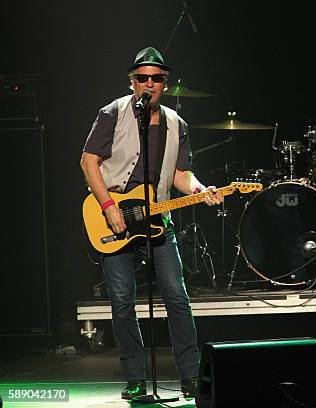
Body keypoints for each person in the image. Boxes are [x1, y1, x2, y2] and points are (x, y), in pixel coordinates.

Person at [80, 46, 222, 400]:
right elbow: (87, 161)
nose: (149, 83)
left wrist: (202, 190)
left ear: (165, 84)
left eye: (156, 78)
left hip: (158, 217)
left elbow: (180, 175)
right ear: (132, 82)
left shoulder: (177, 123)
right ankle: (135, 377)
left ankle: (191, 376)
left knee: (177, 295)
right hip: (114, 218)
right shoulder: (112, 113)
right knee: (123, 299)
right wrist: (110, 206)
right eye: (142, 77)